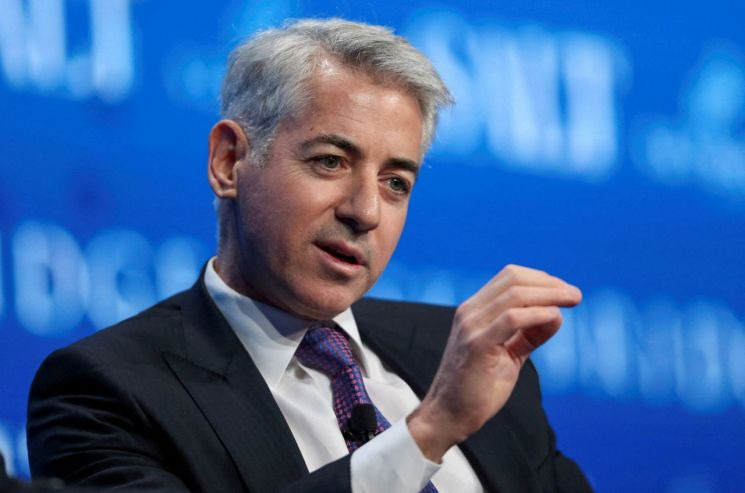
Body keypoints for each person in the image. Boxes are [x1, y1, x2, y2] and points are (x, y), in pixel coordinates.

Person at [27, 18, 593, 493]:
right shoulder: (106, 393)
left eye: (396, 183)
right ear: (228, 162)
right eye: (330, 162)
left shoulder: (463, 357)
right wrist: (429, 431)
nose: (365, 211)